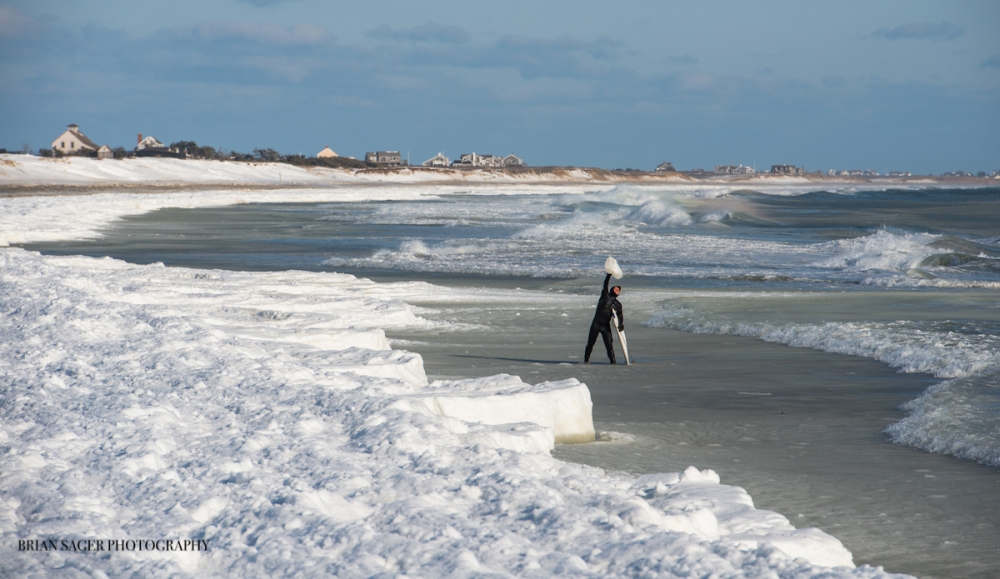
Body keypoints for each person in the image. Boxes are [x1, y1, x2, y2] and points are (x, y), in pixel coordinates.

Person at [584, 272, 623, 364]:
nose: (617, 289)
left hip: (605, 326)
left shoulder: (618, 304)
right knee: (590, 344)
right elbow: (605, 284)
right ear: (611, 289)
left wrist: (621, 325)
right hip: (596, 324)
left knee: (609, 346)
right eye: (616, 288)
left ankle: (613, 362)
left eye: (619, 289)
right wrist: (609, 275)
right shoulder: (605, 295)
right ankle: (586, 361)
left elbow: (620, 316)